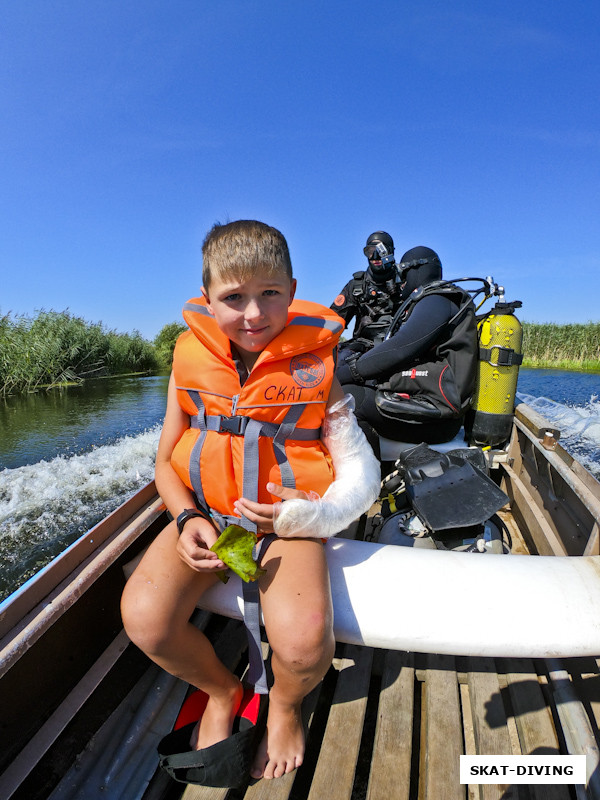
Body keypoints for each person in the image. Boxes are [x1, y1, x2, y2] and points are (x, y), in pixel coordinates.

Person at [121, 220, 379, 782]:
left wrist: (311, 515)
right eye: (233, 298)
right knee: (144, 619)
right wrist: (187, 516)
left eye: (269, 294)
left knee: (308, 645)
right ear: (208, 299)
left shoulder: (320, 369)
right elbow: (165, 463)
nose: (254, 315)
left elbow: (362, 476)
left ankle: (284, 707)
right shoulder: (188, 360)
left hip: (288, 525)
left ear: (292, 288)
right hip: (210, 517)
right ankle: (222, 689)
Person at [334, 246, 478, 452]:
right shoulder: (435, 301)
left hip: (438, 420)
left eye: (403, 274)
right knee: (355, 394)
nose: (400, 281)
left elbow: (400, 348)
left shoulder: (437, 300)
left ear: (416, 270)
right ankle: (379, 469)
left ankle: (372, 479)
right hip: (432, 411)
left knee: (348, 399)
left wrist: (345, 373)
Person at [331, 230, 404, 345]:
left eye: (381, 251)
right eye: (370, 252)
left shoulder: (405, 282)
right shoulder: (356, 286)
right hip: (364, 351)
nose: (375, 257)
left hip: (401, 346)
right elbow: (333, 322)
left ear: (390, 252)